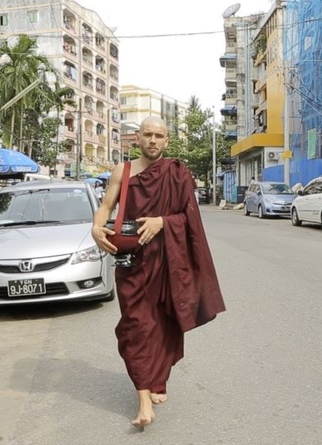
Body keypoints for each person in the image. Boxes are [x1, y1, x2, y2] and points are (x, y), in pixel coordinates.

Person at [91, 116, 226, 428]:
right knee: (136, 327)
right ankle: (143, 400)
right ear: (137, 138)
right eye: (148, 134)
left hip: (168, 262)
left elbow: (189, 217)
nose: (153, 140)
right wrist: (96, 227)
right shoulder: (122, 171)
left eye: (159, 136)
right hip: (133, 264)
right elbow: (106, 207)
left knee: (164, 324)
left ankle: (156, 379)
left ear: (166, 141)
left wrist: (163, 222)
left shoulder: (177, 173)